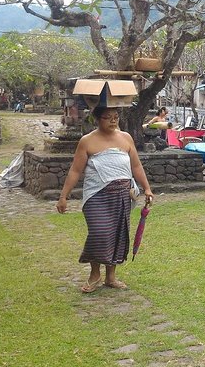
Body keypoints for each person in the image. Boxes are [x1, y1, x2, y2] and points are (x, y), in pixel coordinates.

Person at [56, 106, 154, 292]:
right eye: (107, 117)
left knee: (117, 234)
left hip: (122, 195)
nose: (113, 120)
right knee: (99, 233)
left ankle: (111, 277)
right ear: (97, 120)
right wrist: (63, 196)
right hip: (97, 195)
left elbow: (136, 166)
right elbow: (75, 170)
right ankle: (95, 274)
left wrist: (147, 188)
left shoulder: (126, 138)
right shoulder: (87, 141)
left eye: (116, 117)